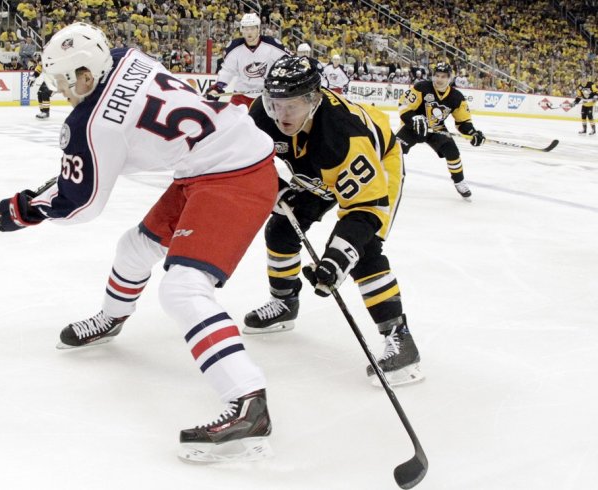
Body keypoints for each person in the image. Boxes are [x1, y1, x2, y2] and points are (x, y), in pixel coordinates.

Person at [0, 22, 277, 463]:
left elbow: (82, 206)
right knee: (135, 246)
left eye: (64, 81)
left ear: (84, 75)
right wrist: (63, 184)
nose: (63, 90)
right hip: (216, 158)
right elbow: (127, 139)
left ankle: (247, 401)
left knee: (183, 289)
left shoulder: (90, 124)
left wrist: (25, 209)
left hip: (231, 175)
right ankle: (112, 318)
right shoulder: (129, 56)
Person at [243, 55, 423, 387]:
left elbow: (365, 210)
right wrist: (273, 185)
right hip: (316, 169)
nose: (281, 114)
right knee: (281, 229)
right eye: (275, 103)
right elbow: (250, 159)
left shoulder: (343, 133)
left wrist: (337, 260)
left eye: (292, 105)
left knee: (363, 252)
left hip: (375, 162)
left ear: (313, 100)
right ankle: (285, 302)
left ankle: (400, 337)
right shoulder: (261, 114)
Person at [396, 62, 484, 200]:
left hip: (436, 128)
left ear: (449, 78)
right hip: (414, 126)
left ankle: (459, 181)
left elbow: (463, 122)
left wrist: (472, 133)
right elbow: (404, 106)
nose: (439, 79)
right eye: (437, 75)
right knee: (395, 149)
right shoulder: (422, 87)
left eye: (443, 76)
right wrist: (414, 119)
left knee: (452, 151)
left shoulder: (456, 97)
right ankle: (388, 177)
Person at [204, 13, 288, 107]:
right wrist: (218, 87)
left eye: (252, 28)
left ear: (258, 29)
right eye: (246, 29)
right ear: (241, 30)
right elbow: (228, 71)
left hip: (265, 97)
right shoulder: (234, 47)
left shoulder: (272, 45)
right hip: (240, 96)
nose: (249, 32)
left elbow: (287, 62)